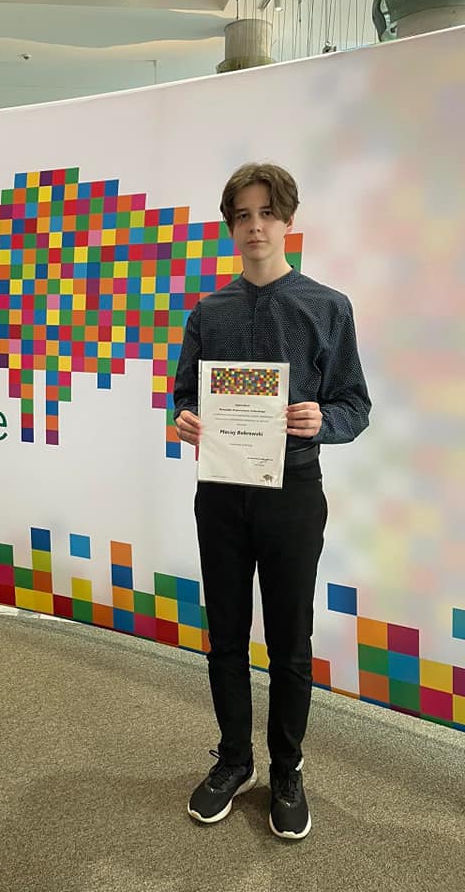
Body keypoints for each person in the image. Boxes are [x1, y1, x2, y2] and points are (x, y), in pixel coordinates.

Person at [173, 163, 371, 840]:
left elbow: (355, 405)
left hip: (292, 497)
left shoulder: (327, 307)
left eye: (266, 213)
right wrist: (186, 419)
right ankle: (234, 760)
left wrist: (325, 420)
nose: (254, 227)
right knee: (225, 637)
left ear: (288, 220)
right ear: (231, 226)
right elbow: (185, 394)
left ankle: (287, 768)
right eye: (242, 216)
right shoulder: (209, 312)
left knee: (289, 642)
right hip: (221, 497)